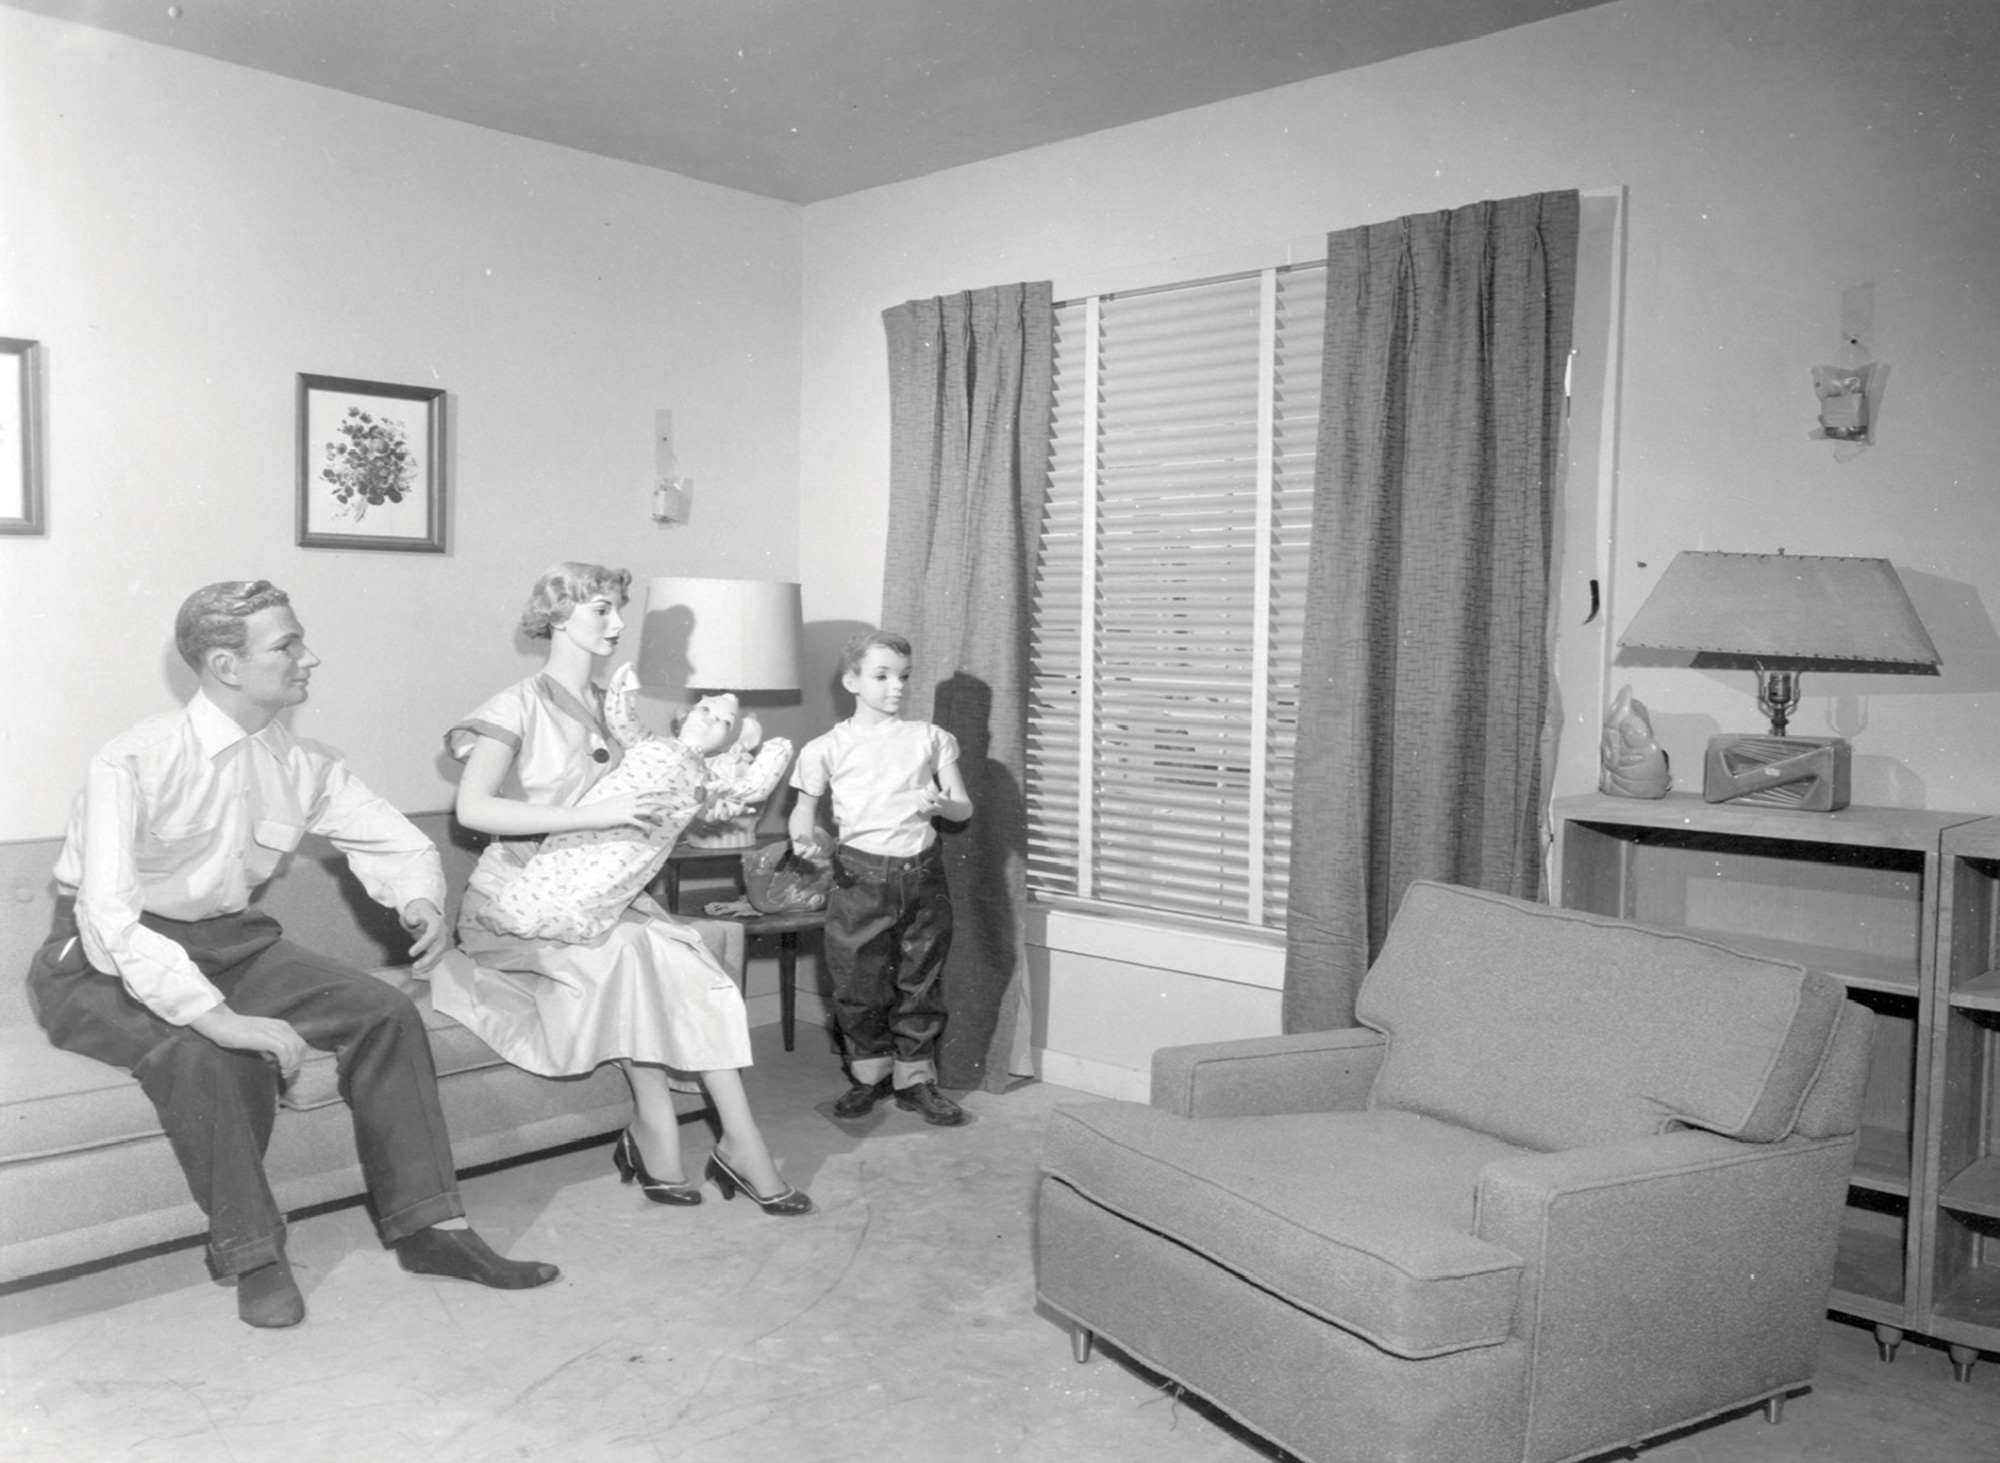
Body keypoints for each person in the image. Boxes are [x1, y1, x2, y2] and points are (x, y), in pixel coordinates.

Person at [27, 581, 559, 1330]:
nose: (311, 657)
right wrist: (220, 1021)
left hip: (228, 941)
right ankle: (254, 1254)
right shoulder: (132, 760)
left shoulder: (300, 760)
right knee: (212, 1058)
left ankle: (430, 1227)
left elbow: (392, 839)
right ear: (225, 664)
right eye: (288, 644)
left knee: (382, 1010)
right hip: (99, 956)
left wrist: (419, 899)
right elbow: (113, 921)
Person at [436, 563, 811, 1217]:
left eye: (618, 611)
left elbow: (660, 796)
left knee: (688, 966)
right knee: (637, 956)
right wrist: (594, 815)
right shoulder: (513, 706)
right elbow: (474, 810)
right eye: (601, 611)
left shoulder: (621, 712)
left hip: (601, 900)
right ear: (557, 616)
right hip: (516, 904)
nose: (616, 625)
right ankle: (658, 1130)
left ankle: (739, 1140)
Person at [788, 630, 974, 1127]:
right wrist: (806, 840)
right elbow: (803, 815)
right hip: (858, 878)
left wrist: (943, 804)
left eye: (904, 676)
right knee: (857, 982)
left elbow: (962, 806)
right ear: (851, 680)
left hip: (922, 876)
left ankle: (915, 1081)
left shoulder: (930, 739)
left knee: (921, 981)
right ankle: (869, 1077)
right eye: (882, 675)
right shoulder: (826, 747)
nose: (897, 687)